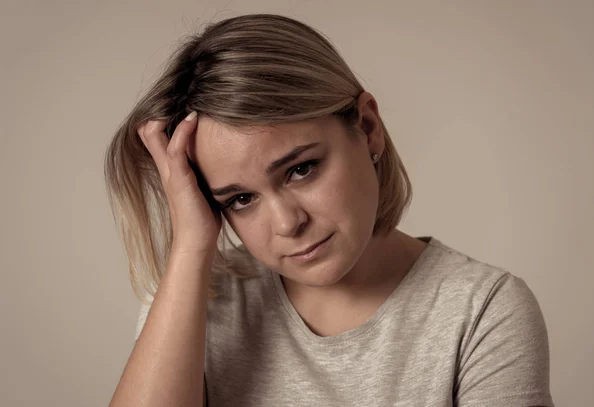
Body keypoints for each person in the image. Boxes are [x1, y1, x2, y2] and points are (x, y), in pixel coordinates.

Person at [104, 13, 554, 407]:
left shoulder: (481, 310)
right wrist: (190, 247)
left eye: (301, 169)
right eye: (240, 199)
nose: (287, 224)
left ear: (368, 127)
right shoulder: (197, 299)